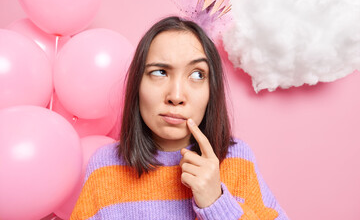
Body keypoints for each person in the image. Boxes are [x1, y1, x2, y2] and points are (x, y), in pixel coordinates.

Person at [70, 16, 288, 220]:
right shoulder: (105, 165)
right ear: (137, 84)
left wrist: (217, 203)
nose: (176, 96)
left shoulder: (237, 159)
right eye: (159, 72)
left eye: (197, 75)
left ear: (212, 90)